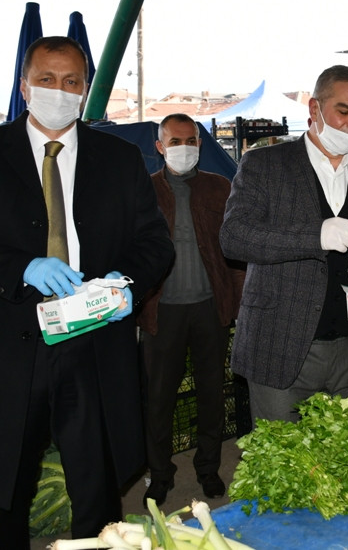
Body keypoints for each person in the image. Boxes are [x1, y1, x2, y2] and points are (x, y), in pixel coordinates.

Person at [0, 36, 174, 547]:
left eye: (72, 82)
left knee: (97, 485)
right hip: (7, 343)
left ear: (85, 91)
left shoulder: (120, 158)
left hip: (93, 341)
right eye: (47, 80)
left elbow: (154, 243)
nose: (60, 91)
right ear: (24, 86)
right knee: (1, 490)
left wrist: (125, 282)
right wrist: (21, 267)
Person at [220, 65, 348, 423]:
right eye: (344, 111)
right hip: (282, 344)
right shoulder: (265, 165)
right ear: (314, 109)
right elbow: (234, 237)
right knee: (284, 460)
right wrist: (316, 236)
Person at [138, 114, 246, 506]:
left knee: (211, 395)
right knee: (158, 400)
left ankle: (208, 469)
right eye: (175, 140)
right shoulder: (144, 191)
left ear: (200, 144)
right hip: (160, 311)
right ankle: (160, 475)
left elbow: (234, 251)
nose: (184, 147)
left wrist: (235, 302)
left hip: (209, 308)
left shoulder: (219, 187)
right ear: (160, 146)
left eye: (191, 140)